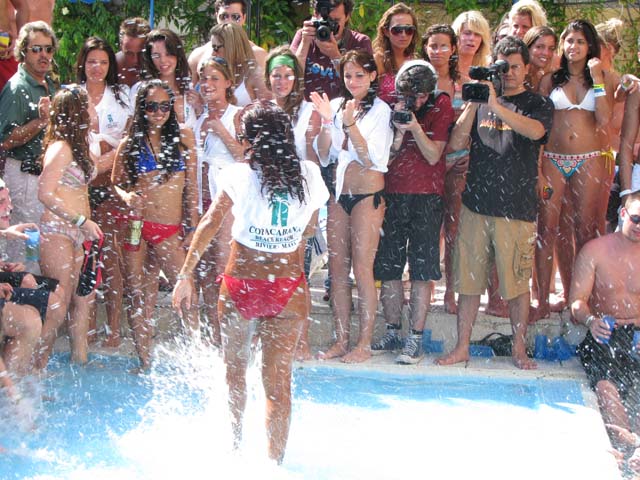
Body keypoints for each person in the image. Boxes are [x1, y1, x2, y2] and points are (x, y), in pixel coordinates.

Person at [172, 101, 329, 463]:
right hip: (288, 288)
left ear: (251, 140)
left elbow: (210, 225)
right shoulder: (309, 174)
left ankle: (235, 450)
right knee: (278, 387)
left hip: (242, 283)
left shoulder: (238, 175)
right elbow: (308, 230)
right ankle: (275, 465)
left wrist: (185, 277)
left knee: (235, 376)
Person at [435, 36, 553, 370]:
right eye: (504, 67)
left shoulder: (537, 103)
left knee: (516, 284)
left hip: (517, 209)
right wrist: (475, 102)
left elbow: (536, 132)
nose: (510, 73)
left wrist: (498, 106)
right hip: (476, 204)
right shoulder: (483, 98)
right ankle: (462, 347)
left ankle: (518, 347)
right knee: (469, 282)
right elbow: (456, 142)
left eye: (515, 67)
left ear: (527, 67)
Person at [311, 49, 393, 363]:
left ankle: (364, 343)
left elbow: (370, 157)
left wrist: (346, 124)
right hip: (339, 195)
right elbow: (325, 156)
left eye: (360, 74)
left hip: (367, 197)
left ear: (372, 76)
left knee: (362, 269)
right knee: (337, 271)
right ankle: (342, 339)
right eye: (348, 75)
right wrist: (323, 124)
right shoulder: (337, 106)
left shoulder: (381, 111)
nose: (353, 80)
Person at [112, 79, 199, 371]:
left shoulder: (184, 138)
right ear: (142, 109)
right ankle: (145, 362)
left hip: (169, 229)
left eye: (165, 106)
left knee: (187, 293)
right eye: (152, 106)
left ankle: (198, 357)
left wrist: (194, 226)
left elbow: (192, 189)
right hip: (138, 226)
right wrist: (128, 197)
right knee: (139, 295)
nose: (159, 112)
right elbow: (116, 183)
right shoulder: (130, 143)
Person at [532, 20, 615, 323]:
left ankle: (580, 298)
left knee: (585, 230)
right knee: (547, 229)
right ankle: (541, 299)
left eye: (580, 41)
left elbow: (604, 120)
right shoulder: (549, 80)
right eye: (569, 41)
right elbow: (541, 128)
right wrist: (539, 166)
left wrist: (596, 78)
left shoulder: (603, 78)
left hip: (589, 157)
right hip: (554, 157)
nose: (573, 47)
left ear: (590, 46)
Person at [372, 60, 454, 364]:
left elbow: (434, 155)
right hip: (392, 192)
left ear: (429, 92)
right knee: (388, 266)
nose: (414, 103)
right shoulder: (392, 101)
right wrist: (396, 129)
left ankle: (415, 338)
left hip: (427, 196)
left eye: (419, 98)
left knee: (422, 269)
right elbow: (385, 155)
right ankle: (393, 330)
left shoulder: (441, 104)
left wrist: (415, 127)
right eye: (409, 97)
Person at [570, 191, 640, 459]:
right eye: (636, 219)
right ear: (623, 214)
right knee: (606, 386)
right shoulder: (595, 251)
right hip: (605, 333)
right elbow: (576, 302)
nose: (639, 226)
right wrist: (591, 321)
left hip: (637, 332)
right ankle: (629, 446)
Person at [37, 86, 103, 365]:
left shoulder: (80, 146)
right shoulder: (61, 148)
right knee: (58, 304)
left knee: (82, 299)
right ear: (77, 112)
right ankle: (35, 369)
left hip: (80, 232)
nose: (94, 107)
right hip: (58, 230)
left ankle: (81, 361)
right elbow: (44, 192)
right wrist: (80, 220)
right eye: (88, 103)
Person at [264, 46, 321, 360]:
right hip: (269, 201)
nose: (282, 80)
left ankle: (303, 340)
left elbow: (311, 165)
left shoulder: (308, 112)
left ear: (296, 78)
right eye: (276, 74)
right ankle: (272, 338)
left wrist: (312, 213)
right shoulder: (262, 110)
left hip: (298, 201)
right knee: (268, 270)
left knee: (296, 273)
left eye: (287, 75)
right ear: (268, 77)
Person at [76, 36, 132, 347]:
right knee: (83, 259)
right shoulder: (72, 96)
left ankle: (113, 327)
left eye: (103, 62)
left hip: (110, 187)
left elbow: (126, 144)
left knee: (111, 258)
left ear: (111, 66)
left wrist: (99, 164)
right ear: (82, 64)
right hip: (79, 189)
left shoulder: (122, 97)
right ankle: (87, 325)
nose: (97, 68)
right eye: (91, 61)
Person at [444, 11, 492, 315]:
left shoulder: (485, 74)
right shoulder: (442, 74)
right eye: (464, 32)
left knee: (456, 229)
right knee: (434, 227)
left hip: (468, 161)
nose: (470, 38)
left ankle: (451, 290)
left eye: (476, 33)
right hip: (436, 158)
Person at [193, 56, 243, 346]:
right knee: (206, 268)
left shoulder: (236, 115)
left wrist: (220, 131)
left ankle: (232, 335)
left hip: (228, 201)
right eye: (204, 78)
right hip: (204, 199)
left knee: (225, 266)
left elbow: (244, 157)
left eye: (215, 78)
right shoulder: (198, 117)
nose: (208, 84)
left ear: (227, 82)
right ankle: (214, 333)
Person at [0, 21, 57, 267]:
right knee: (24, 249)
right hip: (23, 176)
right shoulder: (17, 87)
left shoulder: (50, 83)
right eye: (36, 49)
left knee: (43, 247)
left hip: (44, 177)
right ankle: (23, 300)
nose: (43, 55)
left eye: (48, 49)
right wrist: (41, 121)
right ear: (23, 51)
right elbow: (6, 141)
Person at [291, 0, 372, 101]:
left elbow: (362, 83)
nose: (329, 26)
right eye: (326, 20)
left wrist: (336, 57)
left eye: (336, 21)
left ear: (347, 16)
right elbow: (291, 77)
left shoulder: (359, 42)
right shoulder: (304, 36)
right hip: (309, 109)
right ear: (315, 15)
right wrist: (304, 43)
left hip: (344, 108)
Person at [187, 0, 267, 83]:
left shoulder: (258, 55)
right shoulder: (198, 55)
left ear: (244, 18)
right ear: (216, 16)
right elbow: (190, 91)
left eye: (235, 17)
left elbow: (268, 93)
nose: (229, 21)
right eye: (224, 16)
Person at [137, 28, 200, 129]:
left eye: (168, 54)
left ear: (177, 54)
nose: (163, 60)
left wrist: (199, 107)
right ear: (149, 58)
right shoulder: (141, 90)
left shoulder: (190, 88)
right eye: (156, 55)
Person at [205, 23, 271, 106]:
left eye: (216, 48)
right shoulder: (223, 74)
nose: (213, 53)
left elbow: (271, 112)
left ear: (231, 47)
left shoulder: (254, 75)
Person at [372, 2, 418, 106]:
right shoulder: (378, 61)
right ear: (386, 31)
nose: (403, 35)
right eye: (397, 30)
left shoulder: (415, 62)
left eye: (409, 30)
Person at [116, 17, 150, 88]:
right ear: (121, 46)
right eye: (129, 54)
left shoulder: (158, 68)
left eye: (141, 53)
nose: (135, 60)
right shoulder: (109, 68)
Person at [523, 26, 557, 93]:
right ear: (528, 47)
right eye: (540, 47)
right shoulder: (516, 76)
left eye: (551, 48)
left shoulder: (550, 79)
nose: (546, 53)